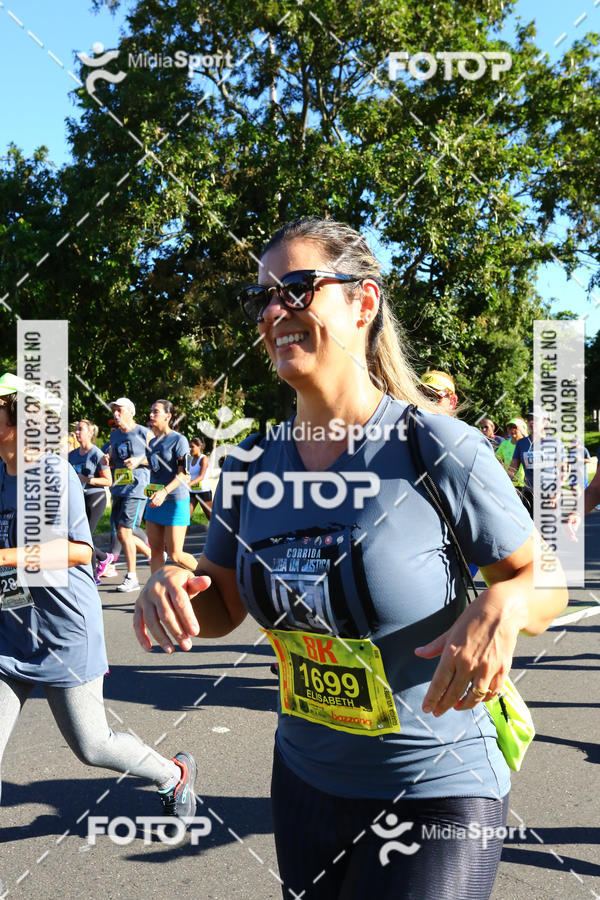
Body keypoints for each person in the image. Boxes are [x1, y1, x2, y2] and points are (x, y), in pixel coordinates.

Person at [133, 219, 567, 900]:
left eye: (296, 289)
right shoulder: (248, 467)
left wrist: (505, 601)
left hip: (436, 789)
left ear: (363, 303)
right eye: (262, 299)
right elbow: (219, 606)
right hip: (305, 784)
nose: (273, 311)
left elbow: (547, 581)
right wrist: (170, 582)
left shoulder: (437, 446)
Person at [0, 375, 196, 821]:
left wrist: (5, 557)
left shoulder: (52, 472)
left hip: (63, 631)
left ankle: (173, 774)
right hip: (10, 632)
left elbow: (79, 552)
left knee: (92, 745)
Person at [145, 400, 197, 573]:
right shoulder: (152, 443)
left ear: (168, 416)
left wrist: (164, 492)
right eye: (151, 411)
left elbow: (185, 474)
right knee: (155, 551)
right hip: (155, 502)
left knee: (175, 555)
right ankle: (156, 587)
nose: (151, 415)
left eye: (156, 412)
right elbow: (155, 468)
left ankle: (207, 578)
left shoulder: (179, 440)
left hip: (175, 501)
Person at [107, 398, 151, 593]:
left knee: (125, 532)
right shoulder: (115, 435)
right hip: (119, 488)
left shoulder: (144, 433)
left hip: (137, 488)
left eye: (120, 410)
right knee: (121, 533)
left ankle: (132, 577)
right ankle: (153, 554)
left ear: (131, 412)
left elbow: (159, 458)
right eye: (114, 410)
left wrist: (140, 460)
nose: (116, 414)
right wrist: (108, 459)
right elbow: (113, 460)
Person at [69, 420, 114, 584]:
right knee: (78, 535)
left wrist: (87, 479)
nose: (77, 432)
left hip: (95, 497)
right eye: (76, 429)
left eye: (80, 429)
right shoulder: (72, 455)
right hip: (79, 499)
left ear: (90, 433)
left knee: (86, 536)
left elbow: (108, 481)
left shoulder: (97, 454)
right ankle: (104, 557)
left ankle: (94, 575)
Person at [495, 417, 527, 488]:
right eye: (510, 428)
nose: (512, 430)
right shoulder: (504, 444)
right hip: (509, 484)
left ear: (522, 429)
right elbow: (496, 460)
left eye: (515, 427)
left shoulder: (527, 444)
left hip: (525, 485)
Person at [189, 437, 213, 519]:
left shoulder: (204, 459)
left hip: (204, 492)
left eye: (192, 446)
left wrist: (188, 484)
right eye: (189, 446)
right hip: (192, 491)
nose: (190, 449)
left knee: (211, 517)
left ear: (199, 447)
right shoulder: (190, 460)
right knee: (186, 517)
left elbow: (201, 476)